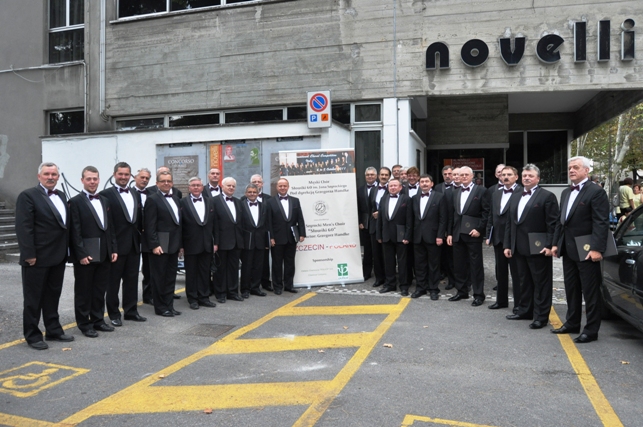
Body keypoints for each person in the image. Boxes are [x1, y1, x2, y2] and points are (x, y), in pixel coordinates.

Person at [15, 162, 74, 350]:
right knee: (33, 299)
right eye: (47, 174)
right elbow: (24, 227)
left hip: (58, 256)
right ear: (39, 176)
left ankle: (53, 329)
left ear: (58, 177)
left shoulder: (62, 195)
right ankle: (32, 335)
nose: (50, 177)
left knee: (52, 296)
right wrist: (29, 254)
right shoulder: (27, 196)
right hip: (37, 258)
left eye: (54, 174)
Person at [552, 156, 610, 343]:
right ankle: (572, 322)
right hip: (568, 249)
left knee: (590, 292)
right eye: (570, 167)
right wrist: (556, 243)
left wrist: (597, 248)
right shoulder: (566, 193)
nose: (571, 170)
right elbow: (561, 222)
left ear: (586, 170)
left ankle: (591, 330)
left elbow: (601, 222)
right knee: (572, 289)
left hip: (587, 249)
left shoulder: (596, 192)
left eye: (576, 167)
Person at [504, 164, 559, 329]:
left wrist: (550, 245)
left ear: (538, 179)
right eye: (524, 176)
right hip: (519, 247)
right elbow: (510, 223)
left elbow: (553, 223)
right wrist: (508, 244)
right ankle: (525, 311)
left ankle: (541, 316)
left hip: (538, 247)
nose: (527, 178)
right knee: (524, 281)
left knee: (541, 283)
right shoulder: (516, 195)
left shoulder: (547, 196)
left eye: (530, 176)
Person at [69, 166, 118, 338]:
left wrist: (113, 248)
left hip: (104, 253)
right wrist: (81, 254)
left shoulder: (105, 200)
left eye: (95, 179)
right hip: (86, 254)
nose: (92, 182)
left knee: (99, 290)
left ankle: (98, 320)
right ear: (82, 180)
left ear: (99, 180)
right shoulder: (75, 202)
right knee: (84, 291)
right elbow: (75, 231)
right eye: (89, 179)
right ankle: (84, 324)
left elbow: (110, 227)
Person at [100, 162, 147, 327]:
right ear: (114, 175)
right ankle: (114, 314)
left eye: (126, 174)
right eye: (120, 174)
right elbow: (107, 224)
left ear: (130, 176)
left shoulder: (135, 193)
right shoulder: (105, 195)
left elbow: (137, 220)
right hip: (116, 246)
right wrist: (111, 247)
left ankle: (131, 311)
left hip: (133, 245)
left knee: (132, 280)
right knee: (113, 283)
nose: (123, 177)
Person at [447, 166, 489, 306]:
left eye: (466, 174)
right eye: (461, 175)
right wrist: (450, 233)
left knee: (476, 266)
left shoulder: (481, 191)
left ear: (472, 176)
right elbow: (452, 215)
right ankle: (462, 291)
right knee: (459, 265)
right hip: (458, 234)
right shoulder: (455, 192)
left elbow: (486, 212)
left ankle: (478, 295)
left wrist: (479, 229)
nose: (463, 177)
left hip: (473, 234)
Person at [145, 170, 182, 317]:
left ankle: (169, 306)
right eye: (163, 181)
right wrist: (154, 245)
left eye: (169, 181)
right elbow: (149, 225)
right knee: (159, 278)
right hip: (160, 244)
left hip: (173, 244)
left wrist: (180, 245)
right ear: (157, 183)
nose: (166, 183)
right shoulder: (152, 199)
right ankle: (160, 308)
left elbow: (178, 224)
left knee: (170, 277)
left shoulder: (176, 198)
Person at [485, 166, 521, 311]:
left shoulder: (522, 192)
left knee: (516, 273)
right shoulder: (496, 193)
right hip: (498, 238)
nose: (505, 177)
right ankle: (501, 301)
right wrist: (488, 235)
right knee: (501, 272)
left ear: (516, 177)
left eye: (509, 174)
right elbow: (491, 215)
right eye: (503, 174)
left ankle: (519, 304)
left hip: (514, 239)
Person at [179, 177, 217, 309]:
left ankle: (204, 297)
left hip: (207, 243)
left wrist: (215, 242)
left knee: (205, 272)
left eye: (198, 185)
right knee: (191, 273)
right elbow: (180, 225)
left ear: (202, 187)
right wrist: (181, 245)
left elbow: (215, 224)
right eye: (193, 185)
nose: (196, 187)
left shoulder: (210, 201)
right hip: (190, 243)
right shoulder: (182, 202)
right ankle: (192, 299)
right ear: (189, 188)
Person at [266, 178, 306, 294]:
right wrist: (271, 237)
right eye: (280, 186)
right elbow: (269, 222)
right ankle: (277, 286)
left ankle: (289, 285)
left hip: (292, 238)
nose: (282, 188)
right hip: (277, 238)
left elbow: (300, 218)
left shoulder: (295, 201)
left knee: (290, 263)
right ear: (277, 187)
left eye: (284, 186)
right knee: (277, 264)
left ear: (288, 187)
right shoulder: (270, 202)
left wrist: (302, 233)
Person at [411, 174, 447, 300]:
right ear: (419, 184)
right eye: (422, 182)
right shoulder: (414, 198)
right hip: (417, 237)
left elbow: (443, 219)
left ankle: (433, 289)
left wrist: (440, 235)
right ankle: (420, 288)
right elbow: (411, 219)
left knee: (434, 264)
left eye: (427, 181)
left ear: (432, 184)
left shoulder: (440, 197)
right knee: (419, 265)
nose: (424, 184)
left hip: (433, 236)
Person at [377, 178, 413, 295]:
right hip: (386, 235)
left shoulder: (406, 199)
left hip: (401, 235)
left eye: (395, 186)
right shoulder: (383, 199)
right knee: (388, 262)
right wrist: (379, 235)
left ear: (400, 187)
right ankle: (390, 284)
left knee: (402, 262)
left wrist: (407, 236)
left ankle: (404, 286)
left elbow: (409, 219)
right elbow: (380, 219)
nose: (392, 187)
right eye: (390, 186)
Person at [212, 177, 245, 303]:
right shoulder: (214, 201)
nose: (231, 188)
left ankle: (233, 292)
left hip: (236, 241)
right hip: (222, 241)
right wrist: (215, 242)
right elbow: (214, 223)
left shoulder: (238, 202)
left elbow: (241, 222)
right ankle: (220, 293)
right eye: (229, 185)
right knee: (220, 269)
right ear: (223, 186)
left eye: (233, 186)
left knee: (233, 268)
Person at [240, 183, 270, 298]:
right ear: (245, 193)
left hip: (260, 240)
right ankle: (245, 289)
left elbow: (267, 224)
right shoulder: (241, 205)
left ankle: (255, 288)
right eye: (250, 192)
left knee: (258, 266)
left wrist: (267, 241)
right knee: (246, 266)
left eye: (254, 192)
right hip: (247, 240)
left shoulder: (264, 206)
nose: (252, 194)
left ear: (258, 193)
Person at [248, 174, 273, 292]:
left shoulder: (269, 199)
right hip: (249, 237)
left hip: (263, 236)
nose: (257, 183)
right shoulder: (242, 200)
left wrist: (270, 237)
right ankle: (250, 284)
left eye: (259, 182)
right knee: (250, 262)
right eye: (254, 182)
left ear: (262, 184)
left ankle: (265, 283)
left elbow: (270, 220)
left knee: (264, 261)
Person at [134, 168, 154, 305]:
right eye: (142, 177)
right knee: (131, 269)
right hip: (133, 235)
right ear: (135, 178)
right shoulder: (129, 193)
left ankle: (148, 295)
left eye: (147, 178)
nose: (144, 180)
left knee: (148, 267)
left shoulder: (153, 194)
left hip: (148, 235)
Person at [369, 167, 391, 287]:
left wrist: (380, 213)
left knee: (387, 254)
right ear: (378, 176)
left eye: (386, 175)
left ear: (389, 177)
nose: (383, 177)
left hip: (387, 225)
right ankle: (379, 278)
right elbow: (370, 206)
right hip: (374, 225)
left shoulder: (393, 188)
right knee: (376, 254)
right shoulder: (373, 189)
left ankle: (389, 279)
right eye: (382, 174)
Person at [357, 167, 378, 281]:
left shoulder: (382, 188)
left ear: (376, 176)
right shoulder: (360, 190)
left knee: (378, 250)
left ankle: (380, 274)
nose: (370, 176)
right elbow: (358, 208)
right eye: (368, 175)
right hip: (365, 224)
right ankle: (366, 272)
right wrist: (360, 221)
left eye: (372, 174)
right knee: (367, 249)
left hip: (378, 223)